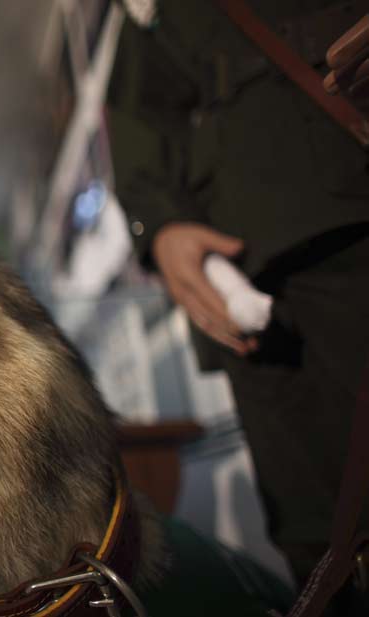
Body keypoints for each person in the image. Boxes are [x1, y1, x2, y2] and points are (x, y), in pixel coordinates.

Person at [106, 2, 369, 615]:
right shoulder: (150, 13)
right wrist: (161, 228)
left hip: (344, 228)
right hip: (244, 276)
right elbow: (140, 115)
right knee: (314, 531)